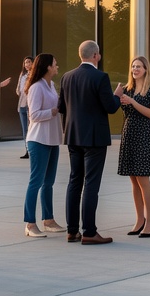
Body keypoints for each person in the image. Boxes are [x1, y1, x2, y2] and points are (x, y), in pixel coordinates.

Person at [57, 40, 120, 245]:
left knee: (74, 181)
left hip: (73, 136)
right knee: (91, 184)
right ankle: (89, 232)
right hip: (94, 138)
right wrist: (117, 96)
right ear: (96, 56)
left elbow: (61, 107)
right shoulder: (100, 77)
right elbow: (110, 107)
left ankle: (72, 230)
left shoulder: (67, 77)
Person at [23, 53, 67, 238]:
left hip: (52, 140)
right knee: (36, 182)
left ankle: (48, 220)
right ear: (48, 67)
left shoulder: (51, 85)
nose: (57, 66)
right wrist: (54, 111)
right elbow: (34, 115)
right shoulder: (36, 87)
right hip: (38, 140)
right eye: (55, 64)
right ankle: (30, 224)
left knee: (48, 183)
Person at [117, 56, 150, 237]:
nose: (135, 69)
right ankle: (139, 219)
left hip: (144, 134)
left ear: (145, 69)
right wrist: (118, 97)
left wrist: (133, 102)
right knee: (134, 180)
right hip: (129, 133)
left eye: (139, 67)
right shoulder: (128, 89)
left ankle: (149, 220)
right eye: (133, 66)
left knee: (143, 179)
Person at [17, 55, 34, 159]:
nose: (27, 64)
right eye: (25, 62)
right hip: (21, 105)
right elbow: (18, 90)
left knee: (30, 128)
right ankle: (27, 150)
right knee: (24, 130)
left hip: (30, 105)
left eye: (29, 62)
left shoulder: (34, 75)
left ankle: (32, 150)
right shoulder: (22, 75)